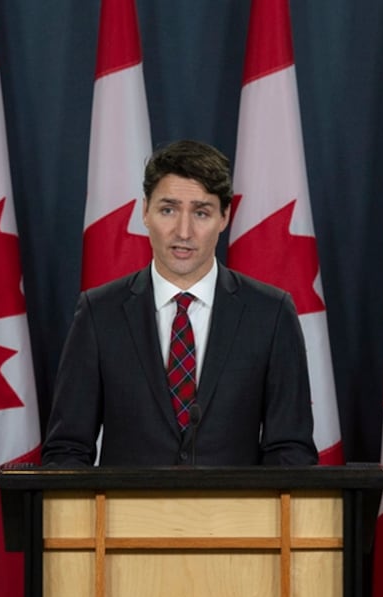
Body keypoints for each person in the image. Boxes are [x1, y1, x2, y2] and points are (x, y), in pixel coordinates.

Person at [41, 139, 317, 466]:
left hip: (234, 517)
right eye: (168, 210)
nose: (183, 231)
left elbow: (291, 453)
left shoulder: (270, 314)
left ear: (225, 216)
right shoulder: (98, 313)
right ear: (145, 211)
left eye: (201, 212)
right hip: (127, 517)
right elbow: (67, 451)